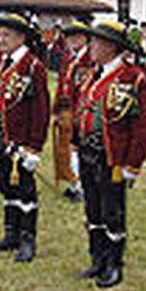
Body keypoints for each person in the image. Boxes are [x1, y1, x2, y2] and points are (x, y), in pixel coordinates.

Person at [70, 21, 146, 288]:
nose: (91, 47)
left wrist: (132, 164)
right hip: (88, 152)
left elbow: (142, 127)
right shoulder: (93, 74)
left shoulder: (134, 78)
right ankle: (97, 258)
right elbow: (80, 110)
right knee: (92, 208)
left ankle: (114, 264)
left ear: (111, 47)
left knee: (112, 211)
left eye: (96, 42)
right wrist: (75, 146)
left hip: (112, 157)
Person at [0, 14, 50, 263]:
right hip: (1, 138)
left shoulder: (33, 67)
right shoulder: (1, 61)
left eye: (6, 35)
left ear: (21, 38)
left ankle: (27, 238)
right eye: (0, 35)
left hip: (21, 143)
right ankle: (10, 233)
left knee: (26, 190)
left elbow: (41, 111)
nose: (1, 40)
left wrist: (34, 148)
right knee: (5, 185)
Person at [52, 22, 92, 203]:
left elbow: (85, 89)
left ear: (85, 38)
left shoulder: (89, 60)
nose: (73, 40)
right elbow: (62, 85)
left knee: (76, 149)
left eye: (77, 36)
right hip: (65, 110)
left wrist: (79, 114)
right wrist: (56, 109)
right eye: (69, 37)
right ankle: (71, 182)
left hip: (78, 111)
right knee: (64, 149)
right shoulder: (68, 58)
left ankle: (81, 187)